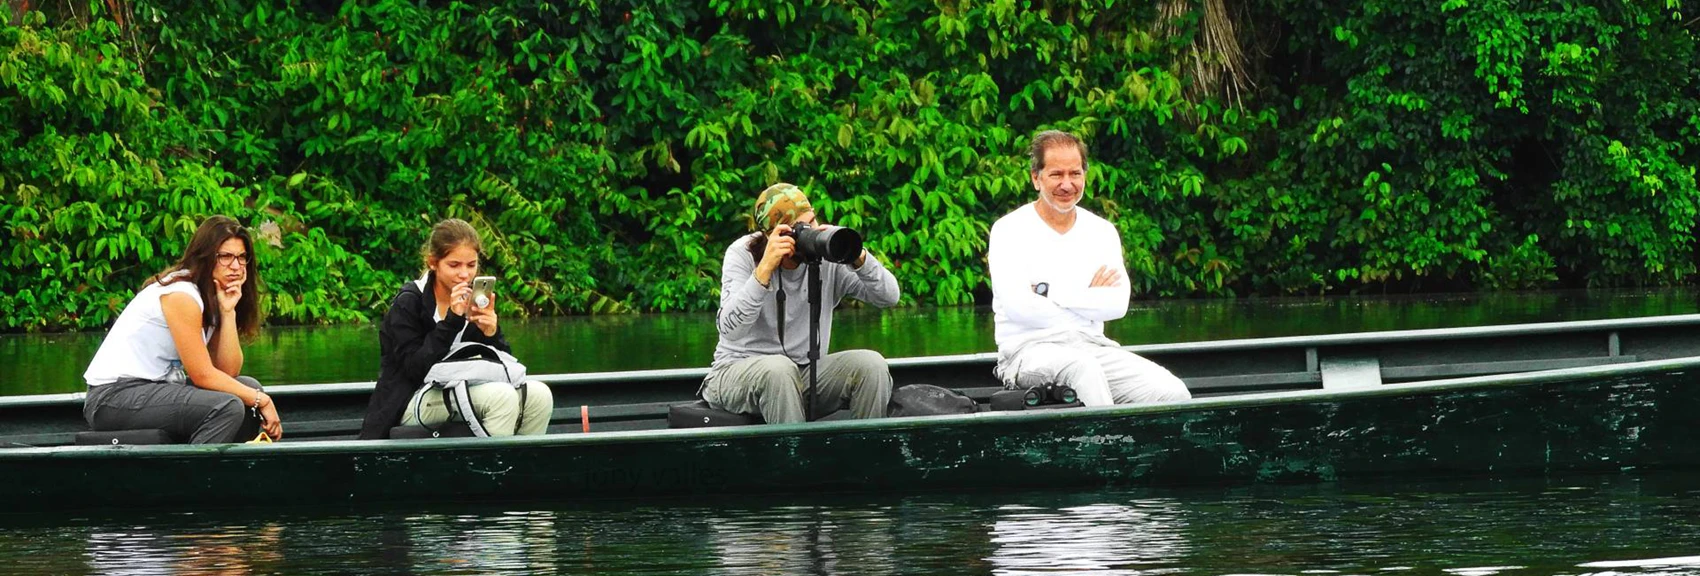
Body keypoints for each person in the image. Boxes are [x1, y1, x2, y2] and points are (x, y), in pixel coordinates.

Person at [987, 130, 1192, 406]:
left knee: (1173, 392)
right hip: (1027, 353)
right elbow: (1019, 309)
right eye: (1056, 175)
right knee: (1083, 369)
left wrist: (1049, 291)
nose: (1067, 184)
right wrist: (1088, 297)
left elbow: (1116, 305)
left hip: (1093, 347)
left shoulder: (1102, 232)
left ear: (1085, 175)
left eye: (1075, 174)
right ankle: (1105, 448)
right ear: (1036, 178)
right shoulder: (1009, 230)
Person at [702, 183, 901, 424]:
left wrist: (856, 255)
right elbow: (730, 330)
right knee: (779, 370)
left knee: (871, 365)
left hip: (802, 375)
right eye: (800, 228)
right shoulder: (743, 254)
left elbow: (889, 297)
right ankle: (796, 459)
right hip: (734, 373)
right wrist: (764, 270)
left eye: (813, 221)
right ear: (774, 235)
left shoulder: (826, 259)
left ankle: (866, 453)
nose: (811, 231)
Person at [82, 215, 281, 443]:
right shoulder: (182, 295)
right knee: (228, 406)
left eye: (242, 257)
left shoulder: (209, 295)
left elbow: (228, 373)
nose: (235, 266)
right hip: (113, 398)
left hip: (153, 390)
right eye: (225, 256)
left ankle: (228, 472)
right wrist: (262, 400)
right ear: (205, 256)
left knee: (248, 387)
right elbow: (202, 375)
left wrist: (227, 313)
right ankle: (193, 476)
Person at [358, 219, 553, 439]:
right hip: (409, 399)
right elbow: (415, 369)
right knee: (502, 397)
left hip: (464, 387)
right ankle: (492, 471)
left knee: (540, 395)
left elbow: (500, 367)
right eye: (454, 265)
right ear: (433, 262)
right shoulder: (409, 302)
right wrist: (452, 320)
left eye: (471, 265)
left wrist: (492, 334)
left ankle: (525, 469)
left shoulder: (474, 299)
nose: (464, 274)